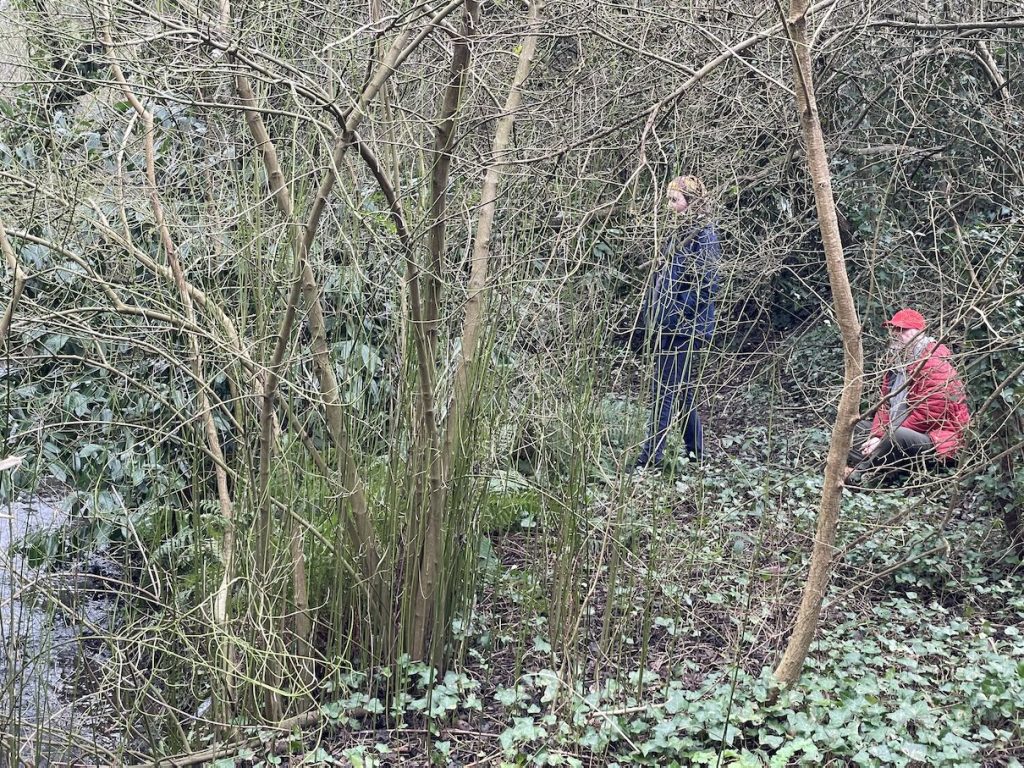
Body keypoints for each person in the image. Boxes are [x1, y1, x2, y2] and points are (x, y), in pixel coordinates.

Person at [629, 175, 720, 471]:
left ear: (691, 203)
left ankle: (650, 459)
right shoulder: (678, 234)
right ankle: (697, 454)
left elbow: (707, 286)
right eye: (668, 200)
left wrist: (673, 315)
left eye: (674, 200)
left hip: (684, 329)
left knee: (664, 391)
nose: (669, 207)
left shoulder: (703, 235)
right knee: (680, 390)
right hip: (668, 326)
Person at [845, 308, 970, 486]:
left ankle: (860, 474)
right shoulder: (896, 365)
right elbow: (885, 405)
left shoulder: (934, 363)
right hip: (897, 430)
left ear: (919, 334)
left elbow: (929, 414)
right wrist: (877, 435)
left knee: (897, 435)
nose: (896, 334)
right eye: (894, 329)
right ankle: (877, 462)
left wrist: (884, 438)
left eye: (902, 330)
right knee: (854, 427)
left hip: (936, 438)